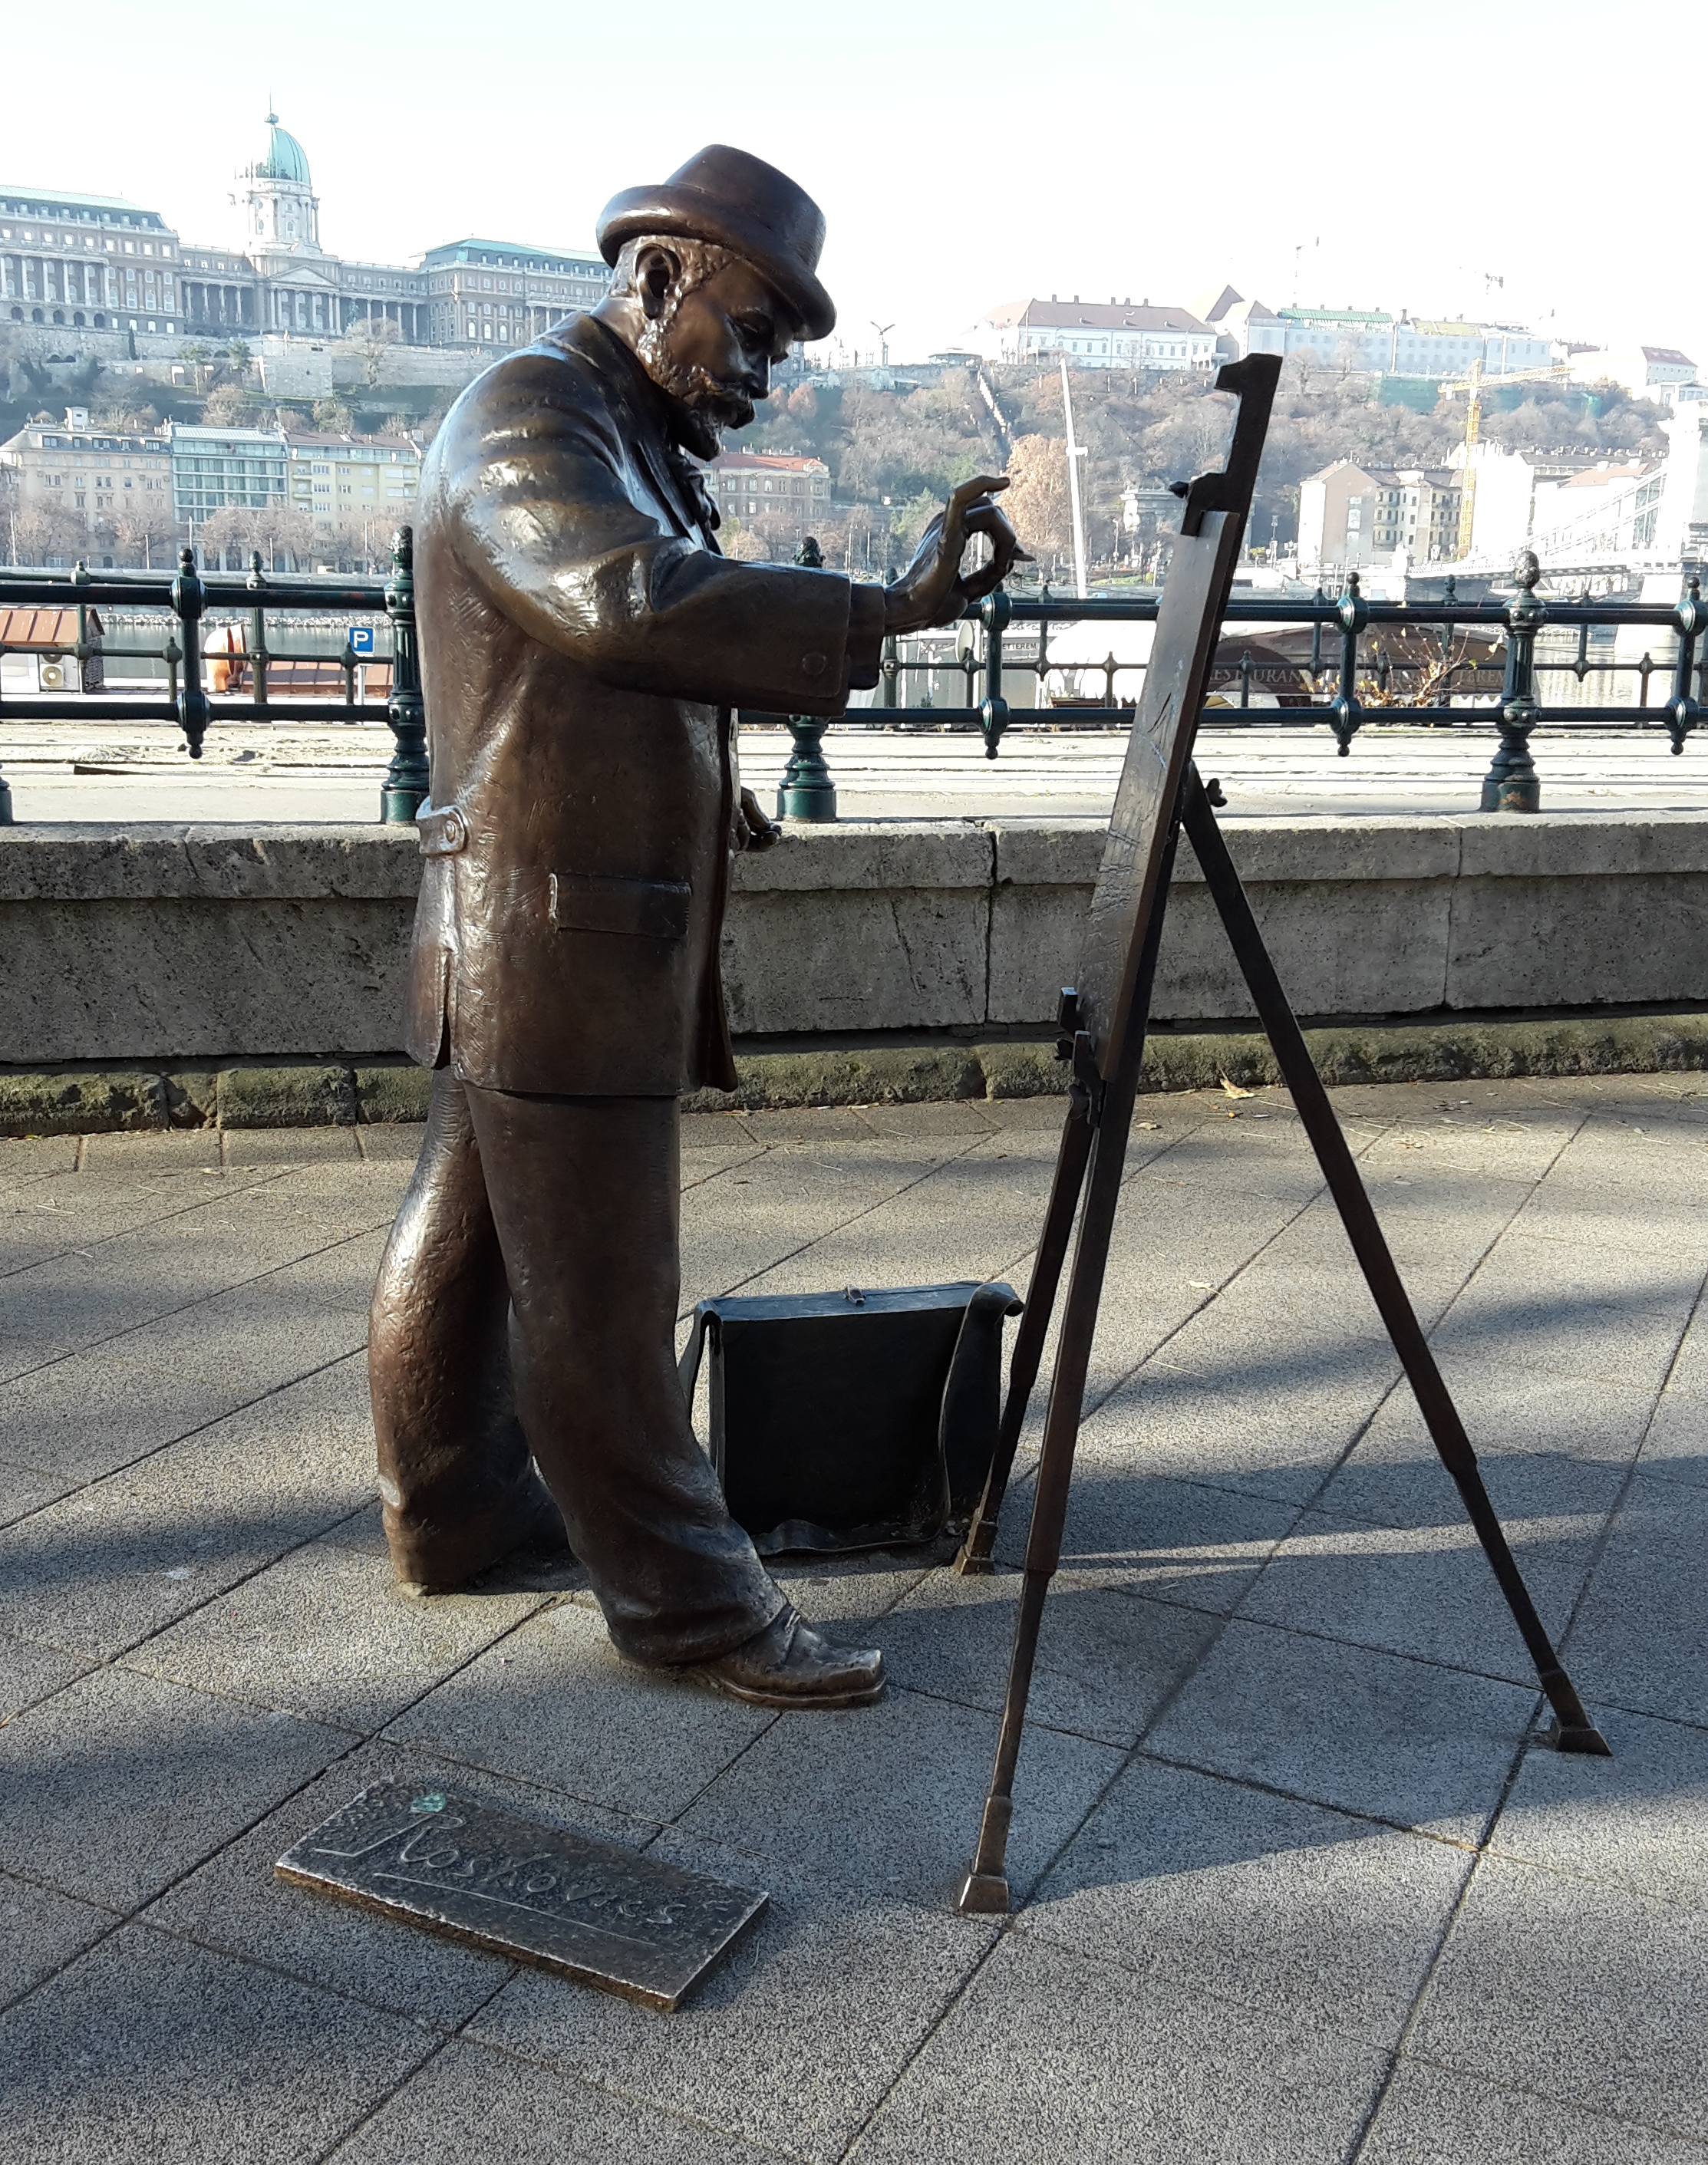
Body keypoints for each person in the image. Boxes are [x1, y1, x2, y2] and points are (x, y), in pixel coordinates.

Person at [368, 145, 1022, 1708]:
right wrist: (887, 613)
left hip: (543, 921)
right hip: (554, 940)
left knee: (462, 1248)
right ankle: (693, 1610)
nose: (766, 375)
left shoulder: (615, 425)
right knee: (595, 1295)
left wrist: (692, 794)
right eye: (757, 331)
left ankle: (448, 1509)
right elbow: (627, 604)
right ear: (660, 278)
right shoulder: (535, 415)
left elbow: (579, 688)